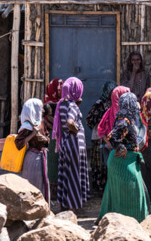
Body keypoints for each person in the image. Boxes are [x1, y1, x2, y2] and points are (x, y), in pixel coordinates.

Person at [98, 92, 150, 222]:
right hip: (122, 162)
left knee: (130, 191)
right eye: (134, 103)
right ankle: (129, 221)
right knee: (130, 192)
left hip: (129, 161)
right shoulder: (124, 119)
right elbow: (113, 136)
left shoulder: (129, 118)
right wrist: (121, 148)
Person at [52, 77, 90, 211]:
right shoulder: (72, 106)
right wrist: (76, 130)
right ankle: (73, 208)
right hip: (74, 144)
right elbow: (69, 122)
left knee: (65, 173)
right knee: (74, 174)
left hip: (65, 143)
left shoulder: (61, 104)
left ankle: (63, 205)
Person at [15, 98, 50, 202]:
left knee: (42, 184)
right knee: (33, 186)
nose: (43, 110)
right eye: (41, 108)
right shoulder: (27, 126)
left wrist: (45, 139)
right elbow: (18, 143)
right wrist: (32, 134)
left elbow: (47, 138)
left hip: (41, 157)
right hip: (33, 159)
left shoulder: (41, 122)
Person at [86, 81, 117, 196]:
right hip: (99, 137)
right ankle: (99, 189)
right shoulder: (99, 104)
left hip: (111, 138)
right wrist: (102, 125)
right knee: (99, 164)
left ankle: (108, 189)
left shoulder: (115, 103)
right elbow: (89, 119)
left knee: (107, 163)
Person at [97, 86, 131, 163]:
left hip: (114, 152)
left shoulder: (109, 112)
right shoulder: (130, 112)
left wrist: (111, 145)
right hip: (128, 152)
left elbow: (100, 130)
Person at [42, 78, 63, 199]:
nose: (61, 91)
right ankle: (52, 191)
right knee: (52, 161)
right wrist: (54, 127)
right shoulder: (49, 105)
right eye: (59, 89)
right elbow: (43, 120)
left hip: (58, 136)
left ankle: (57, 190)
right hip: (53, 137)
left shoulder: (63, 103)